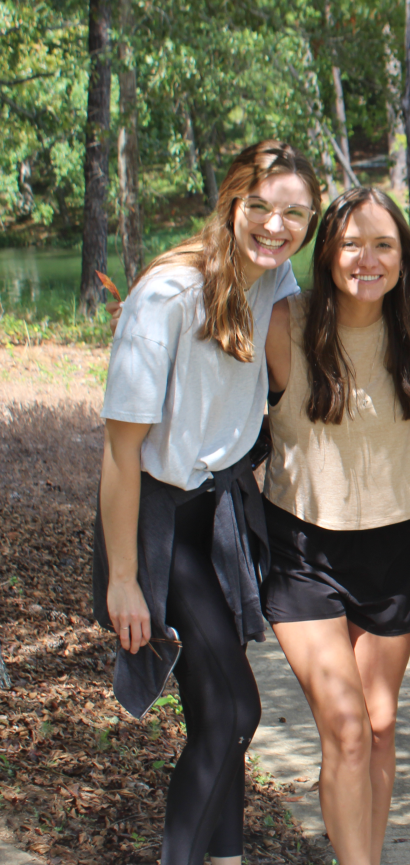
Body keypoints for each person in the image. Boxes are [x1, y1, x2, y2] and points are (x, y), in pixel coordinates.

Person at [94, 140, 320, 865]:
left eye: (295, 214)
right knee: (235, 710)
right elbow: (120, 452)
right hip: (157, 521)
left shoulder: (273, 272)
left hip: (217, 513)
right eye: (261, 207)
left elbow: (289, 366)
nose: (276, 225)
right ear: (232, 202)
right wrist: (124, 578)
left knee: (218, 716)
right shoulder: (166, 296)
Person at [260, 187, 410, 865]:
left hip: (393, 545)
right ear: (328, 250)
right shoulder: (285, 324)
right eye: (352, 243)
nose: (368, 259)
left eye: (383, 244)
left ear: (403, 256)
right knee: (346, 727)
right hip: (304, 549)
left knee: (380, 726)